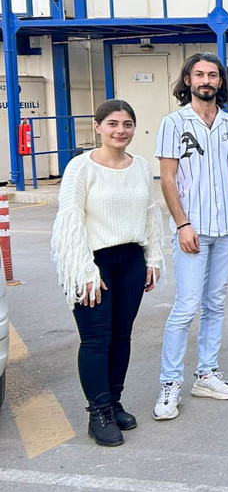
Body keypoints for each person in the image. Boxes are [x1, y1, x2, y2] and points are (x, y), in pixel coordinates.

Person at [51, 100, 163, 446]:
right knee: (96, 339)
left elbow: (149, 213)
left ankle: (114, 402)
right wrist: (85, 270)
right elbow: (70, 221)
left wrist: (152, 257)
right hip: (93, 262)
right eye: (112, 123)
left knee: (121, 335)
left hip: (131, 259)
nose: (120, 131)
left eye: (127, 124)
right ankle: (98, 413)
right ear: (98, 126)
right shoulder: (80, 167)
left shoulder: (140, 166)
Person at [154, 53, 228, 421]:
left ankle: (206, 374)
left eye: (212, 75)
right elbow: (168, 178)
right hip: (193, 229)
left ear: (220, 81)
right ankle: (169, 383)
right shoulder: (173, 123)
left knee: (215, 302)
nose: (206, 80)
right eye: (199, 74)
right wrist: (182, 224)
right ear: (187, 80)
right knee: (186, 306)